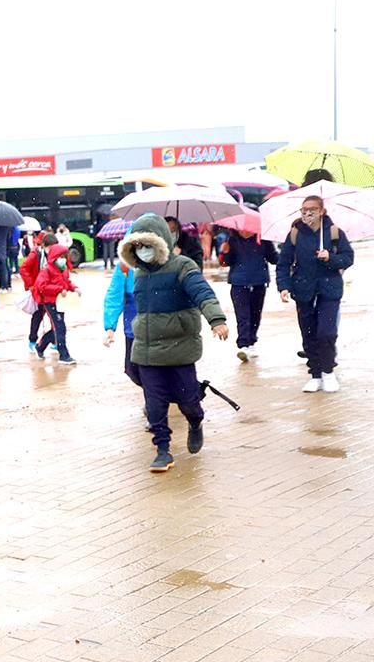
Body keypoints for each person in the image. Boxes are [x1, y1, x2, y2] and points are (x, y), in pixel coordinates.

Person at [119, 213, 228, 472]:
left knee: (188, 400)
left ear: (160, 242)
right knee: (154, 404)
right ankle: (163, 450)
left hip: (179, 348)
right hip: (147, 348)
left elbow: (203, 292)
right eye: (137, 246)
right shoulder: (139, 274)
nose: (142, 251)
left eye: (147, 244)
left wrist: (217, 319)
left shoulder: (183, 266)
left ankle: (196, 421)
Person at [276, 194, 354, 393]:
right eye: (304, 209)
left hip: (329, 289)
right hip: (303, 290)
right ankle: (315, 374)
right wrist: (283, 286)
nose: (307, 212)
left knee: (326, 332)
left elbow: (348, 258)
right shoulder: (295, 234)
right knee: (308, 332)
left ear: (322, 211)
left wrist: (331, 258)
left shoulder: (334, 232)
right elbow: (283, 263)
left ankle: (328, 372)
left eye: (312, 209)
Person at [219, 223, 277, 363]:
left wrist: (290, 257)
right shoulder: (231, 240)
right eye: (241, 228)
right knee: (242, 315)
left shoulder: (263, 240)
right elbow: (226, 263)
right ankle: (243, 344)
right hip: (238, 283)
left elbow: (274, 258)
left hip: (259, 282)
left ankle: (252, 341)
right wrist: (224, 253)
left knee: (255, 314)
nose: (244, 231)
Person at [32, 243, 79, 364]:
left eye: (65, 256)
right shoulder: (46, 270)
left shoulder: (63, 270)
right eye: (61, 256)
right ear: (54, 257)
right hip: (50, 302)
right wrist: (59, 289)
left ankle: (40, 346)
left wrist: (74, 288)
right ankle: (63, 354)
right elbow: (42, 286)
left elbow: (67, 282)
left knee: (57, 327)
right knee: (60, 327)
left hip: (60, 303)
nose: (63, 259)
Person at [102, 261, 141, 387]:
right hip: (133, 328)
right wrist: (110, 327)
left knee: (155, 371)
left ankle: (156, 402)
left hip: (159, 328)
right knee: (132, 370)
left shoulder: (162, 262)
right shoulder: (125, 266)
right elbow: (115, 295)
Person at [21, 233, 57, 352]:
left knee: (54, 316)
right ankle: (32, 340)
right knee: (38, 315)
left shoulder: (55, 256)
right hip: (38, 290)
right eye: (51, 248)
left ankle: (55, 340)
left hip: (50, 291)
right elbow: (24, 269)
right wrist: (31, 285)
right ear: (44, 245)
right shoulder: (35, 254)